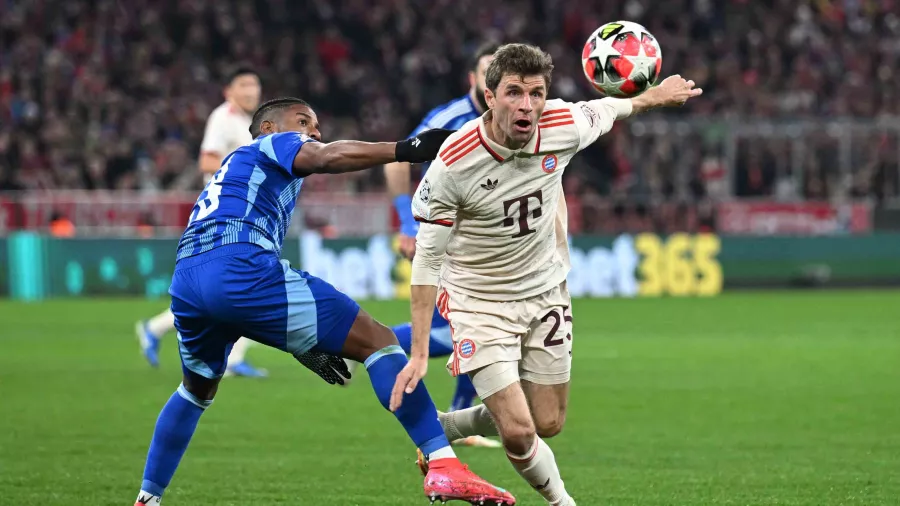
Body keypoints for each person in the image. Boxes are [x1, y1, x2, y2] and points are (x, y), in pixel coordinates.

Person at [133, 97, 515, 506]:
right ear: (269, 127)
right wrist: (407, 149)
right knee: (378, 340)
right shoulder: (270, 145)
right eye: (303, 122)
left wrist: (300, 342)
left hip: (188, 279)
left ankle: (147, 498)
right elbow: (329, 156)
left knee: (195, 392)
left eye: (316, 125)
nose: (314, 132)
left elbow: (238, 302)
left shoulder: (240, 171)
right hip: (239, 263)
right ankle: (443, 467)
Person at [390, 44, 702, 505]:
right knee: (518, 432)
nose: (526, 105)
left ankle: (449, 425)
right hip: (480, 302)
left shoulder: (563, 125)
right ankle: (563, 502)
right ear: (488, 96)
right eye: (513, 93)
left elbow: (614, 106)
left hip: (546, 290)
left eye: (536, 93)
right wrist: (418, 353)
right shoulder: (453, 163)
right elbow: (426, 261)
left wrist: (657, 94)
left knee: (548, 422)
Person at [349, 42, 501, 448]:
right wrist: (404, 222)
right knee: (470, 328)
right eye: (486, 70)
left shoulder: (509, 117)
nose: (493, 79)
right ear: (472, 78)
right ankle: (359, 342)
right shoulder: (452, 118)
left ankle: (361, 343)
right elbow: (401, 159)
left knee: (471, 327)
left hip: (483, 238)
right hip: (444, 232)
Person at [136, 67, 268, 377]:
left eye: (255, 84)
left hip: (249, 213)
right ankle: (232, 360)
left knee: (225, 290)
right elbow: (207, 161)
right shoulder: (222, 118)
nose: (251, 90)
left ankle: (154, 329)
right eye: (244, 84)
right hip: (226, 214)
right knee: (251, 283)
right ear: (229, 91)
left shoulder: (257, 123)